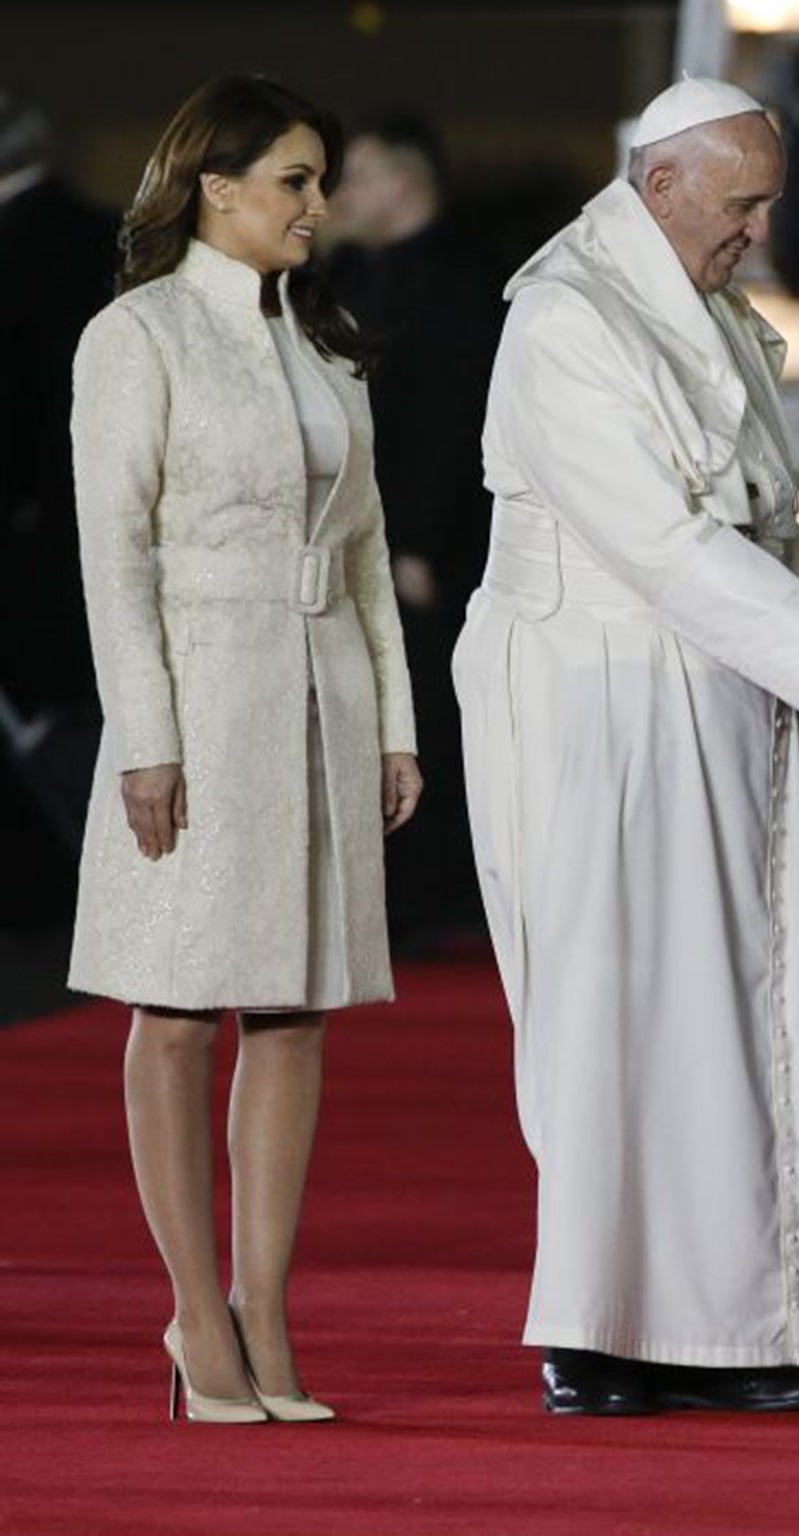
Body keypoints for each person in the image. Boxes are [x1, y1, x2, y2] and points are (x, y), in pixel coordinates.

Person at [453, 75, 799, 1417]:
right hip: (594, 701)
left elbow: (740, 524)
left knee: (727, 1015)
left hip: (705, 687)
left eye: (767, 204)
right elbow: (654, 536)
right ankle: (598, 1332)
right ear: (660, 181)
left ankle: (726, 1327)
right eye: (743, 204)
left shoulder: (697, 301)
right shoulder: (569, 315)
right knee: (611, 1013)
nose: (758, 232)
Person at [68, 75, 421, 1424]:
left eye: (321, 181)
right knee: (174, 1009)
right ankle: (197, 1317)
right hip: (200, 705)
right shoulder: (138, 336)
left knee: (292, 1008)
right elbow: (115, 556)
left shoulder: (322, 344)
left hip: (322, 698)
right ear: (216, 186)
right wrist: (145, 741)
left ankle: (266, 1317)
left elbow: (369, 553)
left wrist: (393, 726)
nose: (317, 207)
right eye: (294, 180)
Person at [326, 114, 505, 945]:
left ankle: (433, 895)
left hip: (430, 551)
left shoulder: (467, 282)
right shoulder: (347, 277)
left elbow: (456, 420)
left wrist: (421, 543)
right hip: (354, 537)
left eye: (353, 176)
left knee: (430, 713)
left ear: (404, 181)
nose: (338, 197)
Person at [0, 91, 118, 903]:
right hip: (114, 502)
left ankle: (88, 877)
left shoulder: (11, 247)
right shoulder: (109, 232)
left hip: (29, 525)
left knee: (46, 718)